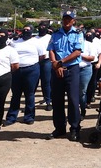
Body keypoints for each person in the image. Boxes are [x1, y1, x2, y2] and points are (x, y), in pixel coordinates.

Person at [46, 10, 84, 142]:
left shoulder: (78, 34)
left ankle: (74, 128)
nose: (67, 21)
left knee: (73, 100)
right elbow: (51, 49)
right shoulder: (56, 34)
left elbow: (77, 52)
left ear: (74, 21)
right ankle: (59, 128)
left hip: (71, 69)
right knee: (57, 100)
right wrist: (55, 64)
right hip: (56, 69)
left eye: (69, 19)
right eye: (65, 19)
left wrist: (61, 62)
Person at [5, 25, 44, 126]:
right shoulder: (15, 41)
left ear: (32, 31)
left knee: (29, 94)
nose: (26, 31)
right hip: (16, 70)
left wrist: (30, 62)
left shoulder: (36, 42)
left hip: (31, 70)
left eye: (28, 29)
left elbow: (42, 56)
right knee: (15, 94)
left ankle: (29, 117)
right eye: (24, 29)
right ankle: (11, 117)